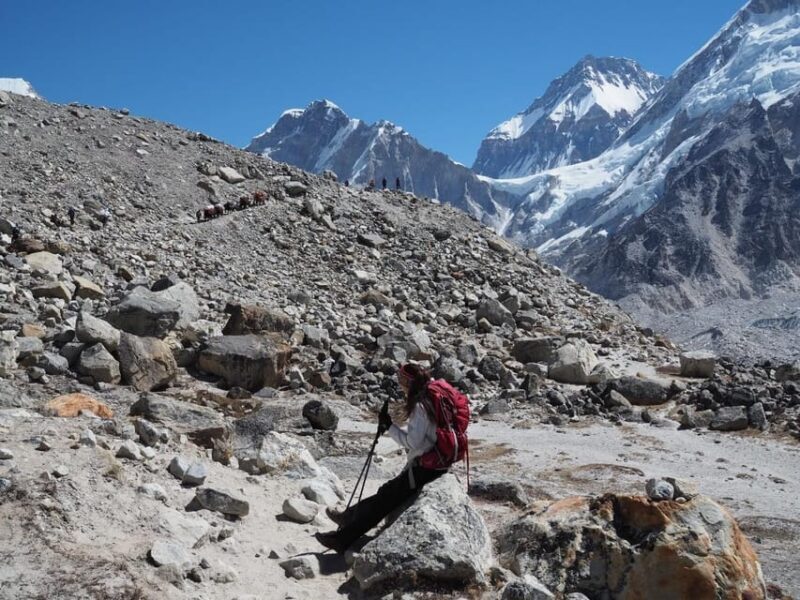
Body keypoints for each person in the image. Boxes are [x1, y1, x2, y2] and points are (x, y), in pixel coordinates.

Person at [315, 363, 469, 553]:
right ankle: (348, 517)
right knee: (386, 493)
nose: (400, 384)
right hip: (438, 461)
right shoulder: (432, 395)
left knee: (384, 501)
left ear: (408, 382)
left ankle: (343, 538)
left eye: (401, 380)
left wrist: (389, 426)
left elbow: (413, 443)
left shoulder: (421, 404)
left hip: (426, 467)